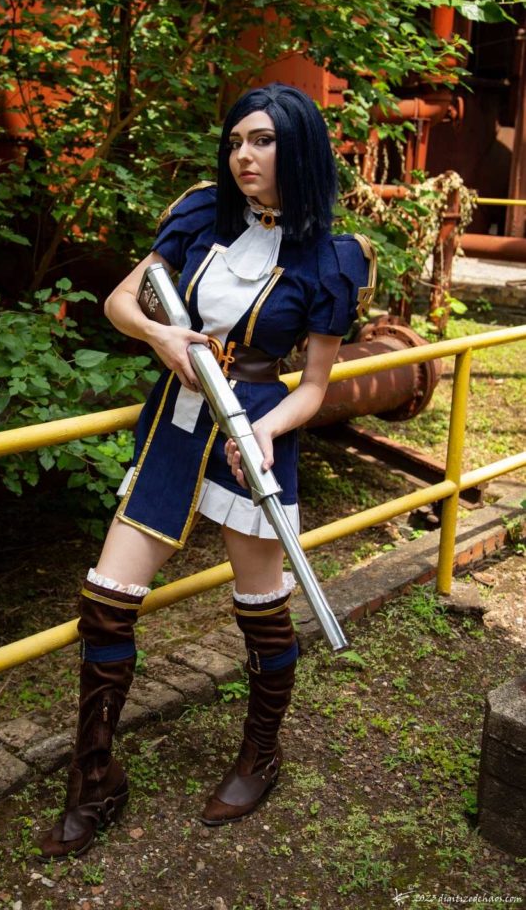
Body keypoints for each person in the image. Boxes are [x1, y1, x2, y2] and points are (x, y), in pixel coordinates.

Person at [38, 82, 375, 859]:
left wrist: (265, 430)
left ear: (299, 148)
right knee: (105, 602)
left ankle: (260, 755)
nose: (242, 156)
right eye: (234, 142)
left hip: (251, 429)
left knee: (260, 606)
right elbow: (121, 303)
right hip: (175, 419)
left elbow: (314, 386)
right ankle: (95, 779)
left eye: (261, 141)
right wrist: (161, 337)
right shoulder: (199, 216)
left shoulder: (331, 258)